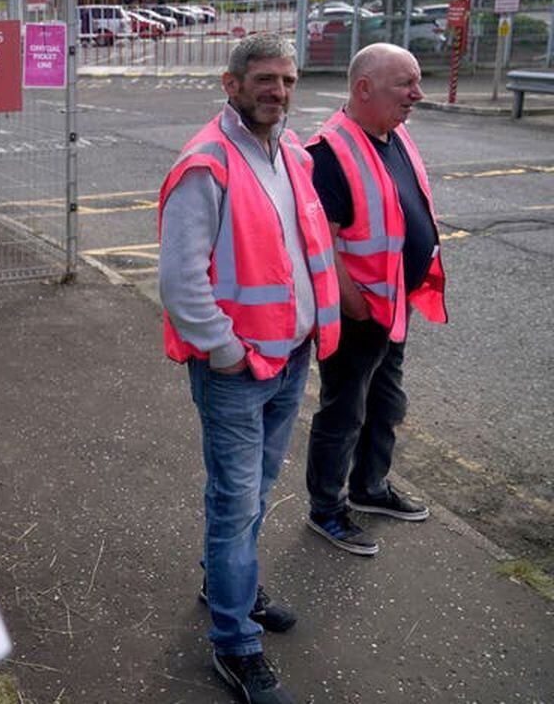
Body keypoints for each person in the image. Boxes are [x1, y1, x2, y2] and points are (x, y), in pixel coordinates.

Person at [159, 35, 340, 704]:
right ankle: (235, 646)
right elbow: (180, 282)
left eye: (288, 80)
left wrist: (308, 334)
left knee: (257, 492)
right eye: (265, 79)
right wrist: (229, 351)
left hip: (289, 359)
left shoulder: (289, 151)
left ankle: (224, 585)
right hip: (237, 368)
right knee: (236, 505)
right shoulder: (206, 163)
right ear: (232, 85)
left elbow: (299, 251)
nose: (279, 91)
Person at [304, 42, 448, 556]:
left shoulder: (396, 134)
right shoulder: (328, 152)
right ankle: (326, 508)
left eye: (417, 81)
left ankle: (369, 489)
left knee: (386, 404)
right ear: (363, 88)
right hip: (360, 313)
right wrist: (355, 305)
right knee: (343, 413)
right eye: (405, 84)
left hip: (393, 307)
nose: (417, 94)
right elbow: (320, 242)